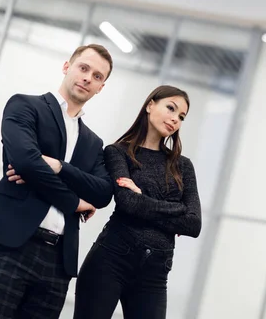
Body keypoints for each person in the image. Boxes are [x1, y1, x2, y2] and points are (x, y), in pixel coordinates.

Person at [0, 44, 115, 319]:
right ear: (67, 67)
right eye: (83, 68)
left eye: (97, 76)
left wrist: (58, 166)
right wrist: (74, 201)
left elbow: (104, 193)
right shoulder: (26, 105)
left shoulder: (94, 144)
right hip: (11, 246)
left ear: (101, 87)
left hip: (58, 264)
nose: (87, 78)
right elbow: (25, 161)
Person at [73, 85, 202, 319]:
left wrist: (142, 197)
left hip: (155, 272)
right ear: (150, 105)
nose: (175, 119)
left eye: (181, 117)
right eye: (171, 108)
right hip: (110, 260)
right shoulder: (117, 152)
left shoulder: (183, 166)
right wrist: (176, 210)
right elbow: (127, 202)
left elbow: (193, 224)